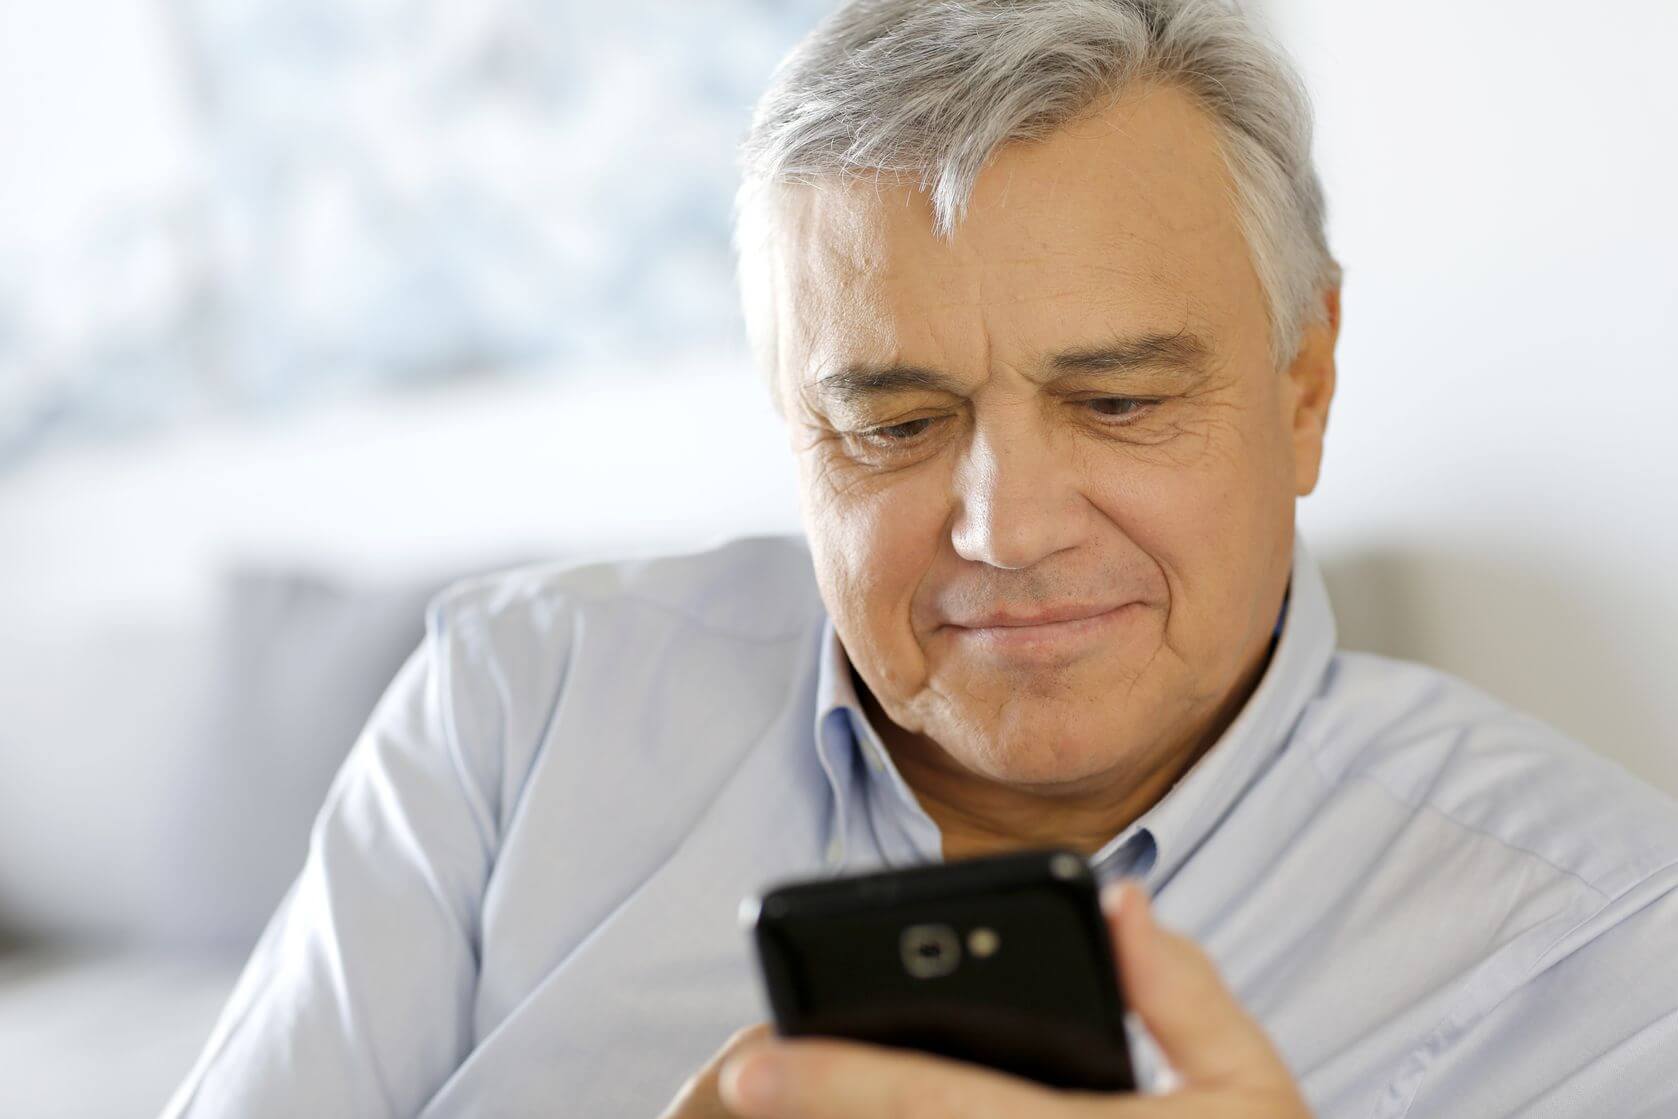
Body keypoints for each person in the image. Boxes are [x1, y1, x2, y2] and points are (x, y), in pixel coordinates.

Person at [164, 1, 1678, 1116]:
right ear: (789, 421)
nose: (1005, 530)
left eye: (1120, 402)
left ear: (1306, 384)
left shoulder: (1604, 944)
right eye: (892, 424)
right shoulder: (513, 706)